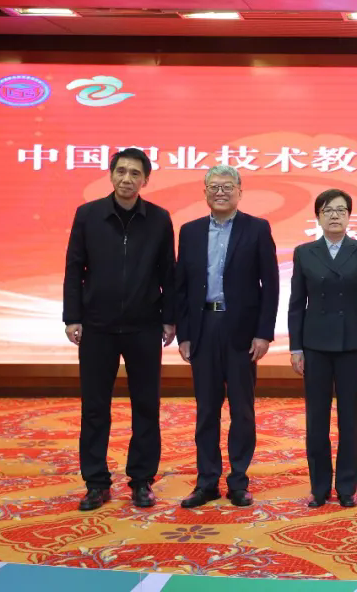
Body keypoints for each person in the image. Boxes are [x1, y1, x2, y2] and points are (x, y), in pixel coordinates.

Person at [63, 147, 176, 511]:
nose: (127, 179)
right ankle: (96, 482)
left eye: (135, 173)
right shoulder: (88, 215)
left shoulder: (159, 219)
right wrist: (72, 317)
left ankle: (141, 480)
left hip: (144, 326)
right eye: (121, 171)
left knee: (146, 406)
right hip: (97, 326)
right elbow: (74, 268)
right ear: (111, 175)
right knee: (95, 407)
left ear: (146, 180)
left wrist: (169, 318)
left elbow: (168, 272)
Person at [175, 165, 279, 508]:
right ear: (205, 192)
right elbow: (181, 286)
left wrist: (263, 333)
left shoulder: (257, 228)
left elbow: (270, 285)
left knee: (242, 410)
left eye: (227, 186)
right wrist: (184, 334)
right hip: (203, 328)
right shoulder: (189, 231)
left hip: (241, 332)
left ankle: (238, 481)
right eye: (214, 187)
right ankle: (206, 482)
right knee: (206, 410)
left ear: (239, 191)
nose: (220, 192)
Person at [288, 189, 357, 508]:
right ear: (317, 216)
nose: (334, 216)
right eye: (327, 210)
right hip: (314, 345)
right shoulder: (305, 253)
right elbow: (296, 304)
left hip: (353, 344)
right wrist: (296, 347)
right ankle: (319, 487)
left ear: (350, 216)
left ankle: (346, 487)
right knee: (316, 419)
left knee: (350, 418)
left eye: (341, 210)